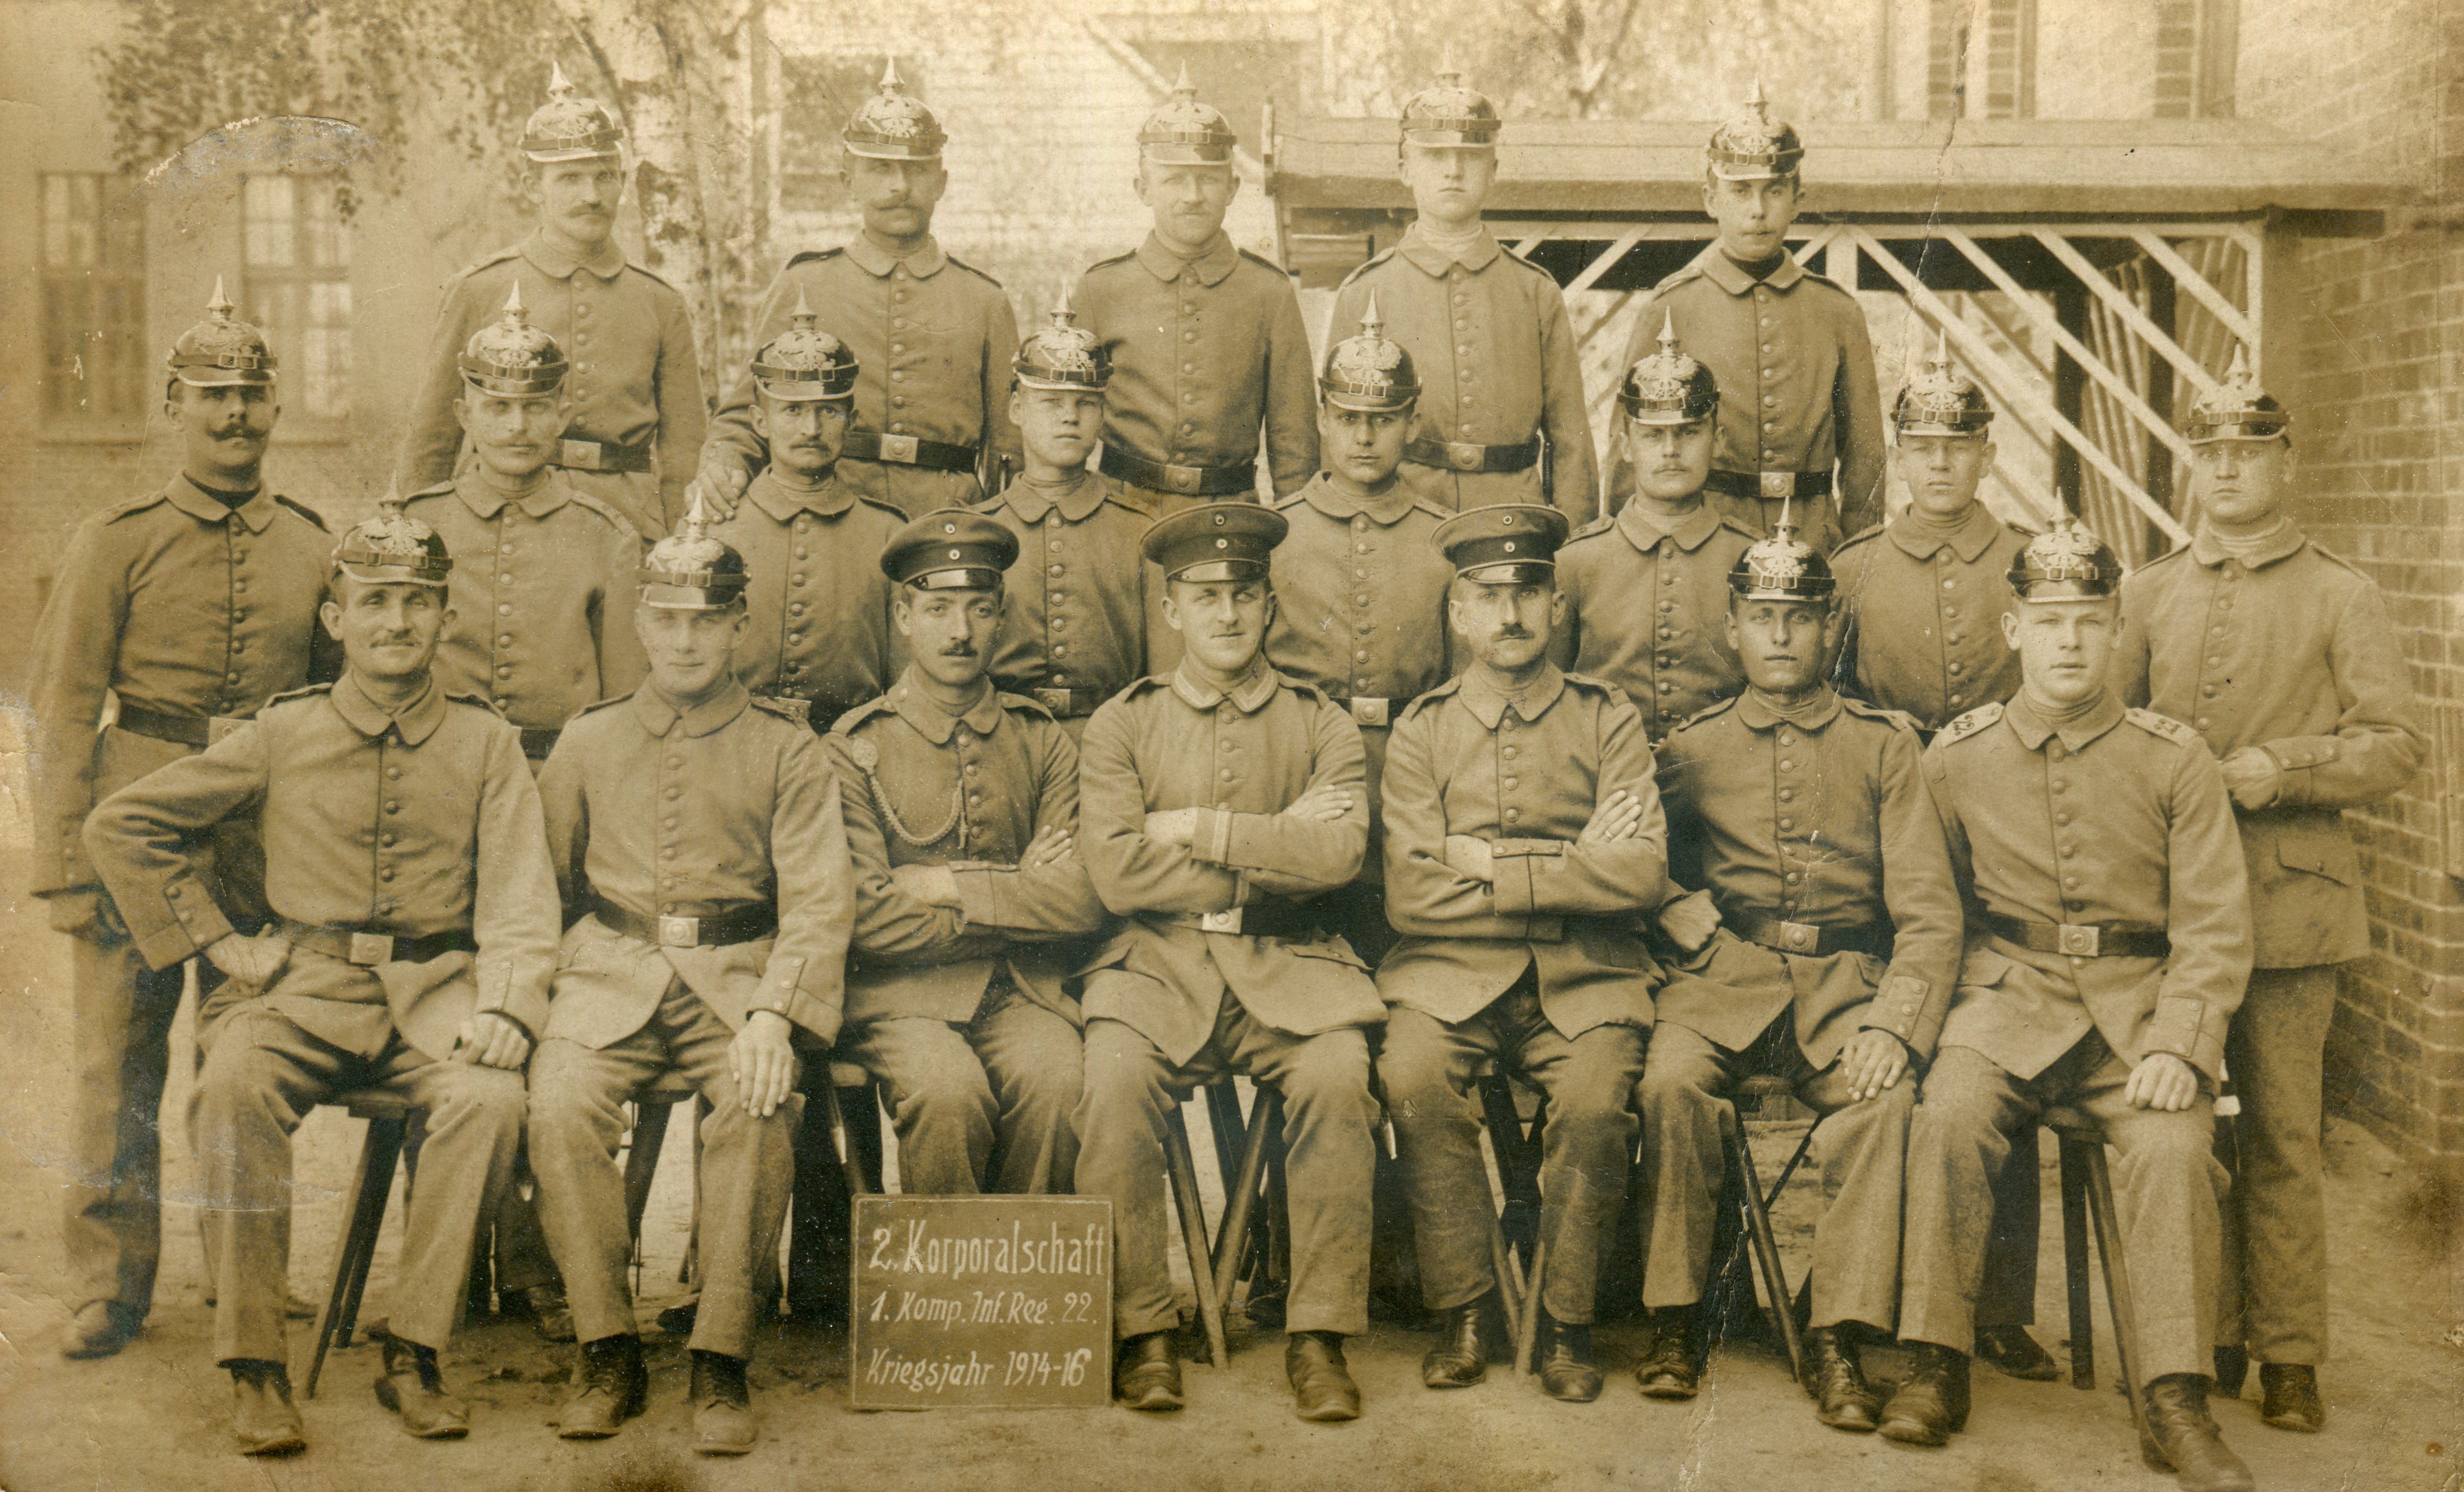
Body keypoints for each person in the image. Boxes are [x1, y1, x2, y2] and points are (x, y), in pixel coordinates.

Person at [84, 503, 556, 1452]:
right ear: (336, 619)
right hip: (300, 989)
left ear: (445, 616)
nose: (396, 622)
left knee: (489, 1099)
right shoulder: (282, 731)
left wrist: (507, 1004)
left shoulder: (486, 742)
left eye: (416, 603)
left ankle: (413, 1348)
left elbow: (518, 895)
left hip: (434, 994)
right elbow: (122, 825)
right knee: (231, 1085)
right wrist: (219, 942)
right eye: (373, 601)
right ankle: (255, 1363)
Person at [1885, 520, 2257, 1492]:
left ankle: (2172, 1397)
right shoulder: (1954, 757)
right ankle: (1932, 1359)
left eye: (2088, 621)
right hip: (2004, 1000)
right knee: (1947, 1115)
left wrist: (2181, 1042)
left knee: (2173, 1148)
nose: (2068, 642)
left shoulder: (2173, 758)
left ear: (2114, 630)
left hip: (2135, 1017)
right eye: (2048, 621)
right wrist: (1928, 1027)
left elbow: (2213, 926)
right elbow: (1933, 910)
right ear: (2012, 627)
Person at [2116, 354, 2426, 1433]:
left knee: (2286, 1135)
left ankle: (2289, 1353)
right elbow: (2112, 738)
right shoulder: (2147, 591)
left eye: (2248, 453)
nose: (2226, 471)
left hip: (2293, 907)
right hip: (2173, 916)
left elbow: (2395, 743)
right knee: (2187, 1134)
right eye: (2208, 452)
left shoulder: (2342, 593)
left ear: (2286, 462)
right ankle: (2205, 1336)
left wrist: (2283, 768)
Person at [31, 285, 336, 1362]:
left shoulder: (313, 545)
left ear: (276, 408)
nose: (234, 415)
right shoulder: (115, 541)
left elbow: (332, 715)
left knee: (243, 1057)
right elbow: (64, 707)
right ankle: (106, 1285)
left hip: (259, 839)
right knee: (115, 1063)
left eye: (251, 395)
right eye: (211, 395)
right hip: (135, 826)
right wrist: (66, 866)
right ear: (175, 407)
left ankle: (246, 1278)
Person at [526, 498, 850, 1453]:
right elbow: (541, 889)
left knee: (759, 1103)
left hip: (736, 981)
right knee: (557, 1102)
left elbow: (818, 902)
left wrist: (774, 1016)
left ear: (739, 626)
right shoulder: (586, 740)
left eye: (706, 621)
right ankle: (605, 1346)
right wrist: (548, 995)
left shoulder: (787, 746)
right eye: (666, 619)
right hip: (607, 975)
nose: (683, 640)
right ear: (639, 623)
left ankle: (720, 1353)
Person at [1633, 516, 1960, 1429]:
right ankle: (1675, 1313)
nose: (1779, 636)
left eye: (1799, 617)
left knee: (1881, 1101)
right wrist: (1666, 900)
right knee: (1667, 1082)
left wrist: (1893, 1023)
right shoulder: (1690, 748)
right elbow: (1632, 857)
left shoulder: (1884, 745)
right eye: (1761, 617)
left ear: (1829, 629)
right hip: (1720, 981)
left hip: (1845, 987)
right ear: (1730, 629)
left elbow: (1929, 914)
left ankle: (1836, 1330)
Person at [1073, 503, 1383, 1421]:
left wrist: (1198, 828)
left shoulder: (1321, 723)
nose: (1226, 613)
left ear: (1269, 604)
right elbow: (1116, 871)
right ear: (1170, 609)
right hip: (1157, 969)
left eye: (1243, 593)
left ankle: (1317, 1332)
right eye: (1204, 596)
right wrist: (1277, 842)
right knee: (1112, 1078)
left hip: (1288, 965)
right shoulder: (1121, 723)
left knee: (1337, 1073)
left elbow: (1339, 856)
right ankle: (1142, 1328)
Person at [1375, 504, 1661, 1403]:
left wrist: (1487, 863)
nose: (1509, 614)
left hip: (1586, 975)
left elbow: (1641, 872)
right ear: (1457, 613)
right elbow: (1410, 892)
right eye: (1488, 595)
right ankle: (1465, 1306)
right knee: (1410, 1074)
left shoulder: (1606, 717)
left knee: (1594, 1100)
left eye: (1528, 593)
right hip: (1448, 977)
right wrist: (1572, 862)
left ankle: (1567, 1318)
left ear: (1555, 606)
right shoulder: (1420, 729)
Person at [1829, 337, 2054, 1382]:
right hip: (1892, 829)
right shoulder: (1855, 567)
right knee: (1896, 1044)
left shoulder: (2028, 561)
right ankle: (1871, 1294)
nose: (1937, 463)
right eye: (1919, 445)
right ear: (1897, 455)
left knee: (1995, 1043)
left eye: (1956, 446)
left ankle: (1994, 1303)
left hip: (2004, 828)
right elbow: (1833, 707)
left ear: (1986, 453)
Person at [826, 510, 1106, 1198]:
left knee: (1059, 1080)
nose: (961, 631)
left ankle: (1020, 1262)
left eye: (980, 609)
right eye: (939, 609)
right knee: (948, 1092)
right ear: (903, 616)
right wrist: (1016, 895)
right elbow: (869, 917)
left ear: (1001, 616)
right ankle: (941, 1271)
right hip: (899, 999)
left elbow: (1079, 899)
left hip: (1018, 991)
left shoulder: (1039, 738)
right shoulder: (854, 747)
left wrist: (944, 883)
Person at [696, 61, 1021, 520]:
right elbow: (748, 410)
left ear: (941, 183)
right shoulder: (804, 284)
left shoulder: (984, 301)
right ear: (848, 182)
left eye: (916, 170)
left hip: (945, 521)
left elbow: (1011, 450)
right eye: (880, 169)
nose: (899, 187)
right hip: (827, 513)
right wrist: (724, 462)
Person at [396, 64, 704, 540]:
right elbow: (432, 439)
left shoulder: (660, 302)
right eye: (570, 179)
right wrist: (413, 536)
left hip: (626, 525)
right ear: (532, 187)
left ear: (622, 183)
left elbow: (685, 450)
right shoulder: (479, 289)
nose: (591, 196)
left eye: (605, 177)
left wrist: (682, 541)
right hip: (501, 520)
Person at [1603, 80, 1883, 552]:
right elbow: (1627, 451)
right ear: (1711, 200)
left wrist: (1857, 561)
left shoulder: (1836, 312)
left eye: (1774, 191)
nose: (1757, 210)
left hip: (1812, 541)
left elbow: (1866, 462)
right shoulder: (1669, 308)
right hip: (1701, 543)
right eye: (1740, 191)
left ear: (1797, 199)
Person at [1264, 300, 1454, 962]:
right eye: (1348, 418)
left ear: (1412, 422)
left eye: (1383, 419)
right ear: (1321, 418)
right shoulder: (1276, 533)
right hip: (1303, 777)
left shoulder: (1444, 538)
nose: (1364, 437)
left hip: (1410, 780)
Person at [1328, 66, 1598, 524]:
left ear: (1493, 171)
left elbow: (1570, 437)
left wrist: (1575, 542)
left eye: (1470, 158)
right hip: (1398, 520)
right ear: (1405, 170)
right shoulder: (1364, 291)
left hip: (1514, 519)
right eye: (1435, 156)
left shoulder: (1535, 291)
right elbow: (1336, 436)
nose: (1453, 171)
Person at [403, 287, 648, 769]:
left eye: (535, 407)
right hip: (438, 766)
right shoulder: (420, 526)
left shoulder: (608, 537)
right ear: (464, 416)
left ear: (561, 417)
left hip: (560, 769)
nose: (517, 426)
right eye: (498, 407)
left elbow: (625, 703)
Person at [1075, 65, 1317, 511]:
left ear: (1232, 188)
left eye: (1207, 179)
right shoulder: (1100, 289)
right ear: (1143, 189)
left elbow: (1294, 442)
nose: (1192, 195)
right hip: (1120, 514)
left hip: (1230, 515)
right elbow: (1065, 422)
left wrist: (1296, 528)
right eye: (1173, 179)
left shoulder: (1268, 293)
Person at [709, 296, 907, 731]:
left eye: (828, 411)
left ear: (851, 421)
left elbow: (903, 688)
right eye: (793, 410)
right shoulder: (718, 526)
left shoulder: (887, 534)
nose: (811, 429)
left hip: (849, 746)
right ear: (760, 422)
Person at [1554, 320, 1754, 741]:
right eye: (1652, 436)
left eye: (1689, 432)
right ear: (1626, 446)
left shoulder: (1748, 559)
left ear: (1718, 440)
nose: (1670, 451)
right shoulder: (1575, 562)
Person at [975, 294, 1156, 734]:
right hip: (1002, 739)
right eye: (1052, 403)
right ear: (1017, 411)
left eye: (1085, 404)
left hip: (1112, 741)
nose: (1069, 418)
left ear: (1102, 416)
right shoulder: (980, 530)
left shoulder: (1141, 531)